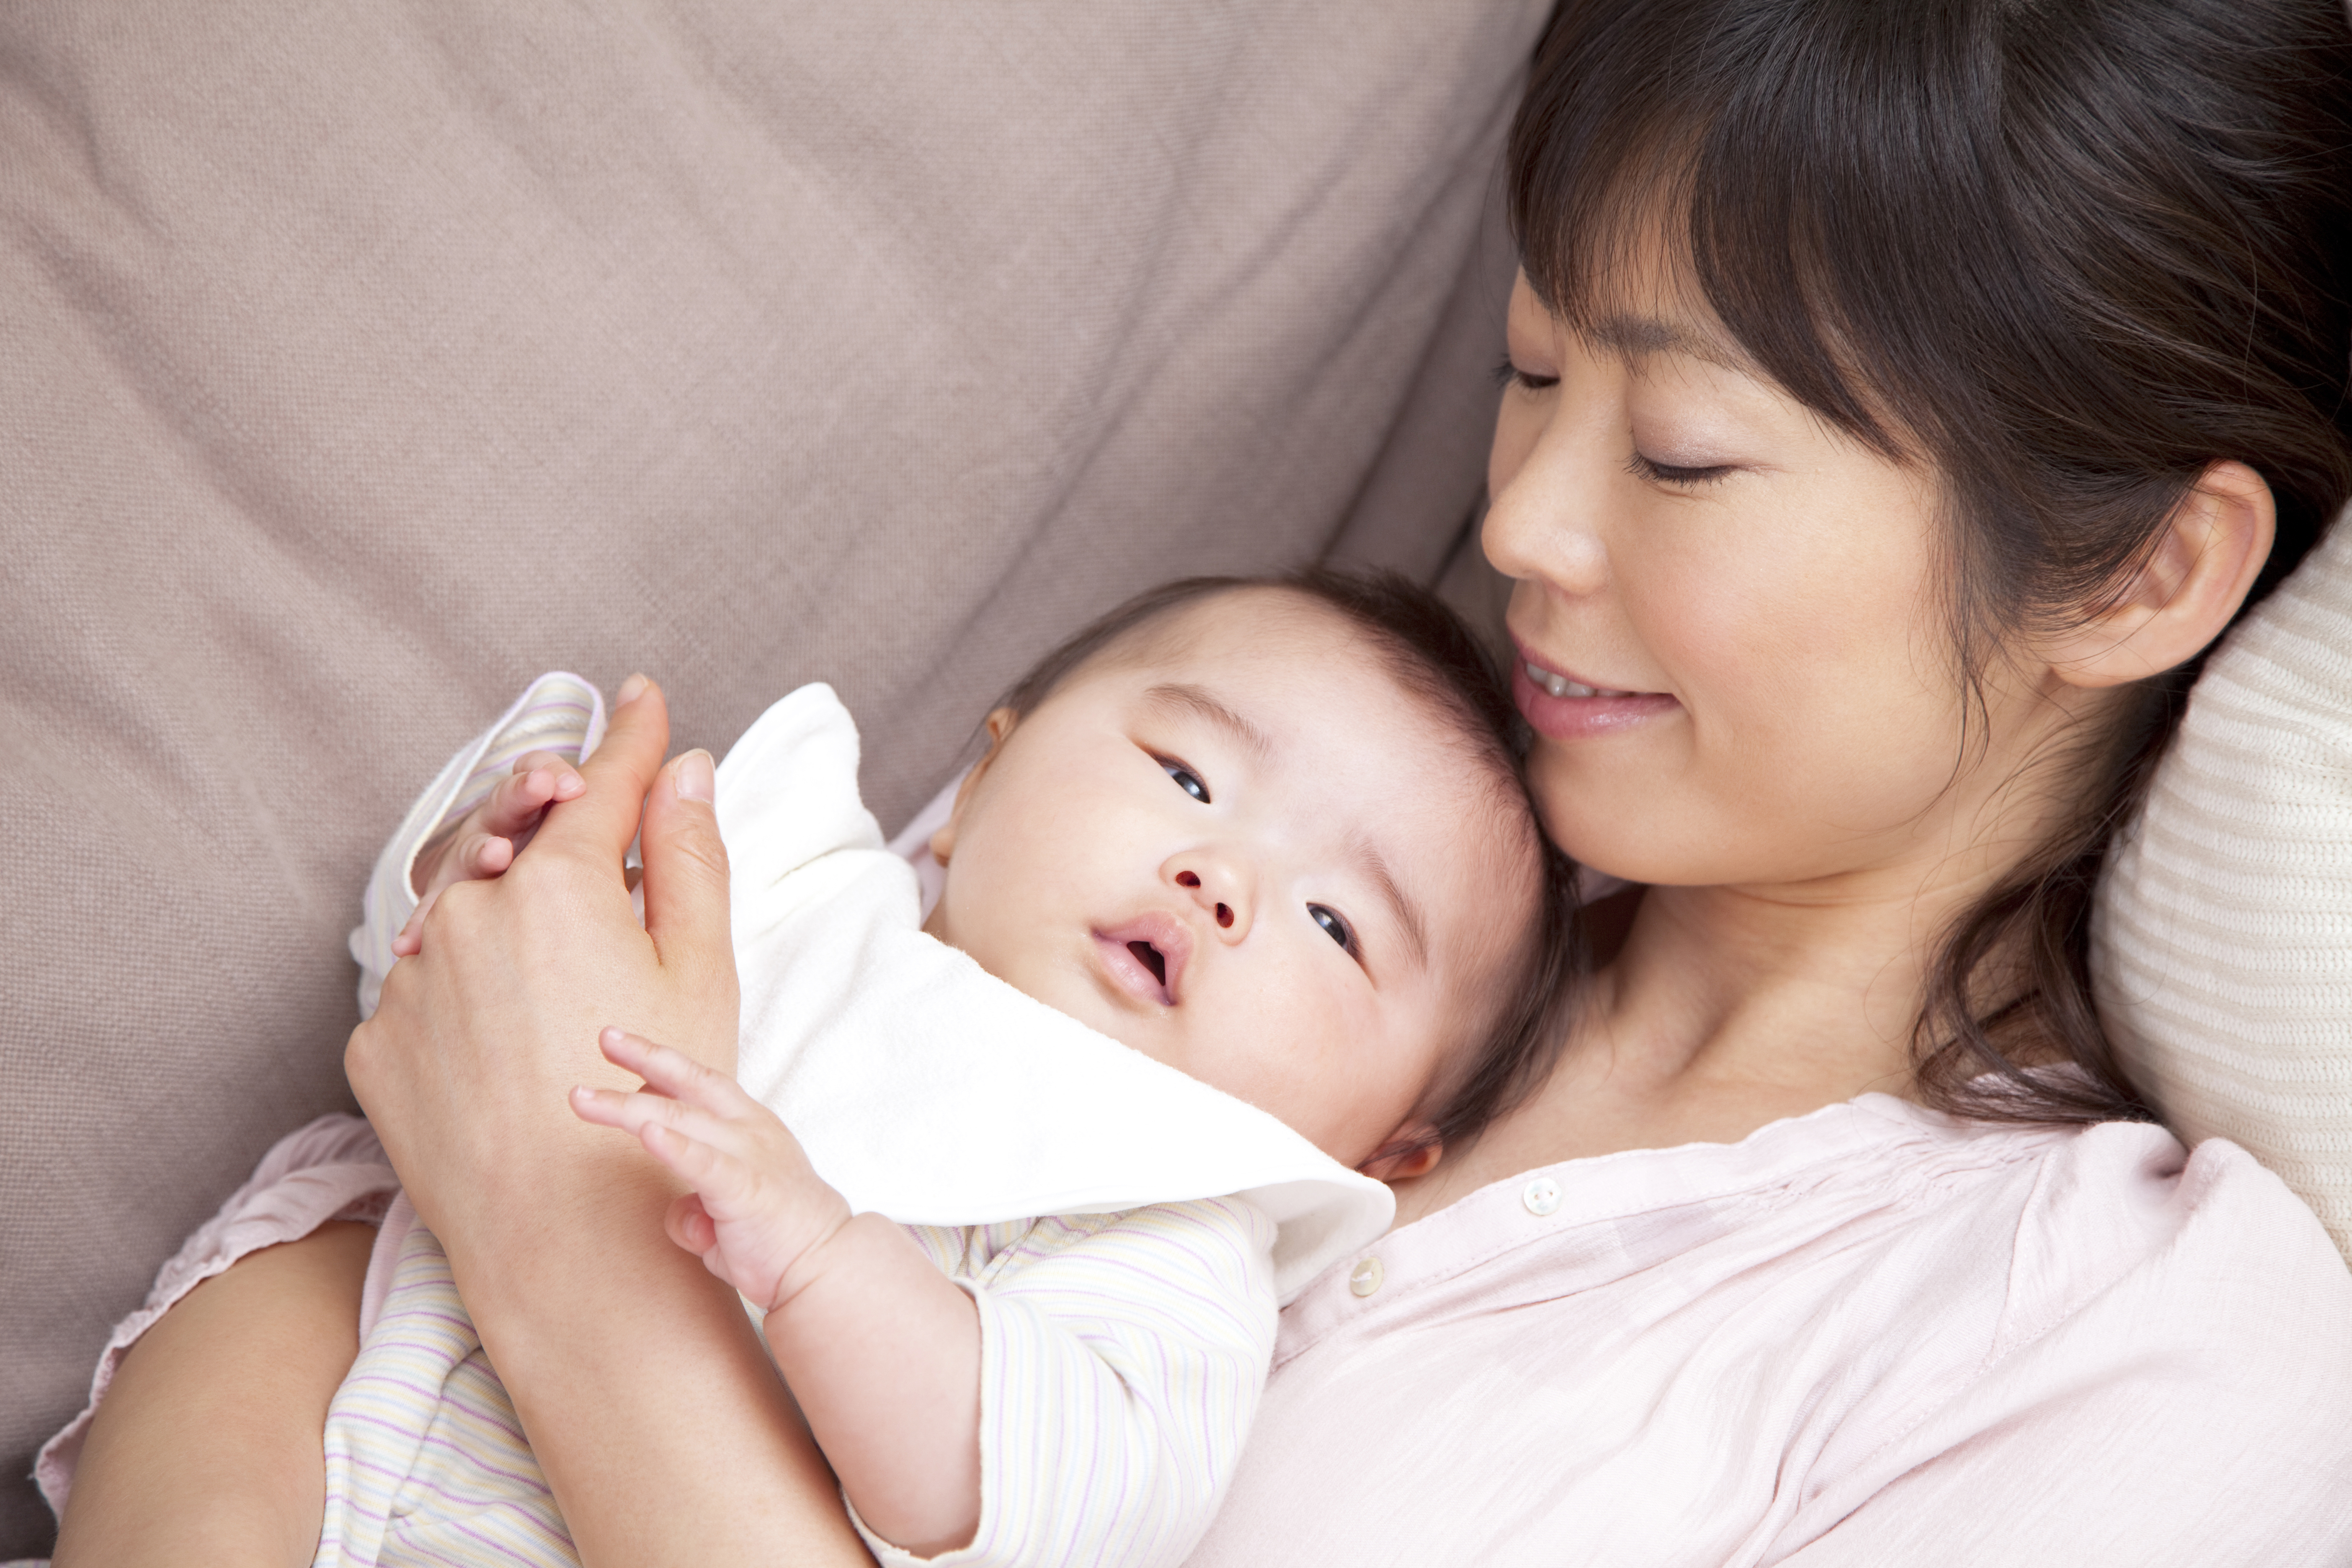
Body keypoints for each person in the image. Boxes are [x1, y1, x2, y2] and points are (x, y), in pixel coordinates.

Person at [50, 0, 2352, 1562]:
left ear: (2144, 571)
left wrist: (576, 1270)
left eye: (1681, 450)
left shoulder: (2132, 1346)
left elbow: (534, 1185)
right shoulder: (1249, 807)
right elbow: (375, 1215)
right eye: (1533, 370)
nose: (1531, 528)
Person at [46, 573, 1573, 1568]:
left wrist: (832, 1263)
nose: (1222, 875)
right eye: (1186, 774)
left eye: (1335, 922)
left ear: (1388, 1149)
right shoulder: (805, 892)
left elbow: (1032, 1489)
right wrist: (491, 854)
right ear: (979, 784)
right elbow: (450, 1001)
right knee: (233, 1389)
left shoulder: (1177, 1237)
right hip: (349, 1376)